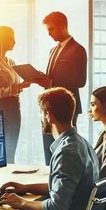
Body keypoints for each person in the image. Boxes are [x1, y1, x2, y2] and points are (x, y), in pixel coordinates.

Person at [37, 12, 87, 165]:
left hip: (66, 107)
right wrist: (43, 79)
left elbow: (80, 80)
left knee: (66, 151)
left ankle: (64, 183)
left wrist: (51, 81)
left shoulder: (78, 49)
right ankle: (48, 181)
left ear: (62, 26)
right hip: (49, 107)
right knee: (48, 149)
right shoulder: (53, 50)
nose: (49, 33)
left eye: (51, 29)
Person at [0, 26, 30, 163]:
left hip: (15, 107)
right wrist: (16, 87)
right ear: (2, 40)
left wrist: (22, 85)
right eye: (11, 38)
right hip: (1, 108)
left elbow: (13, 87)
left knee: (12, 149)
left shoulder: (11, 62)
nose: (14, 41)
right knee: (2, 153)